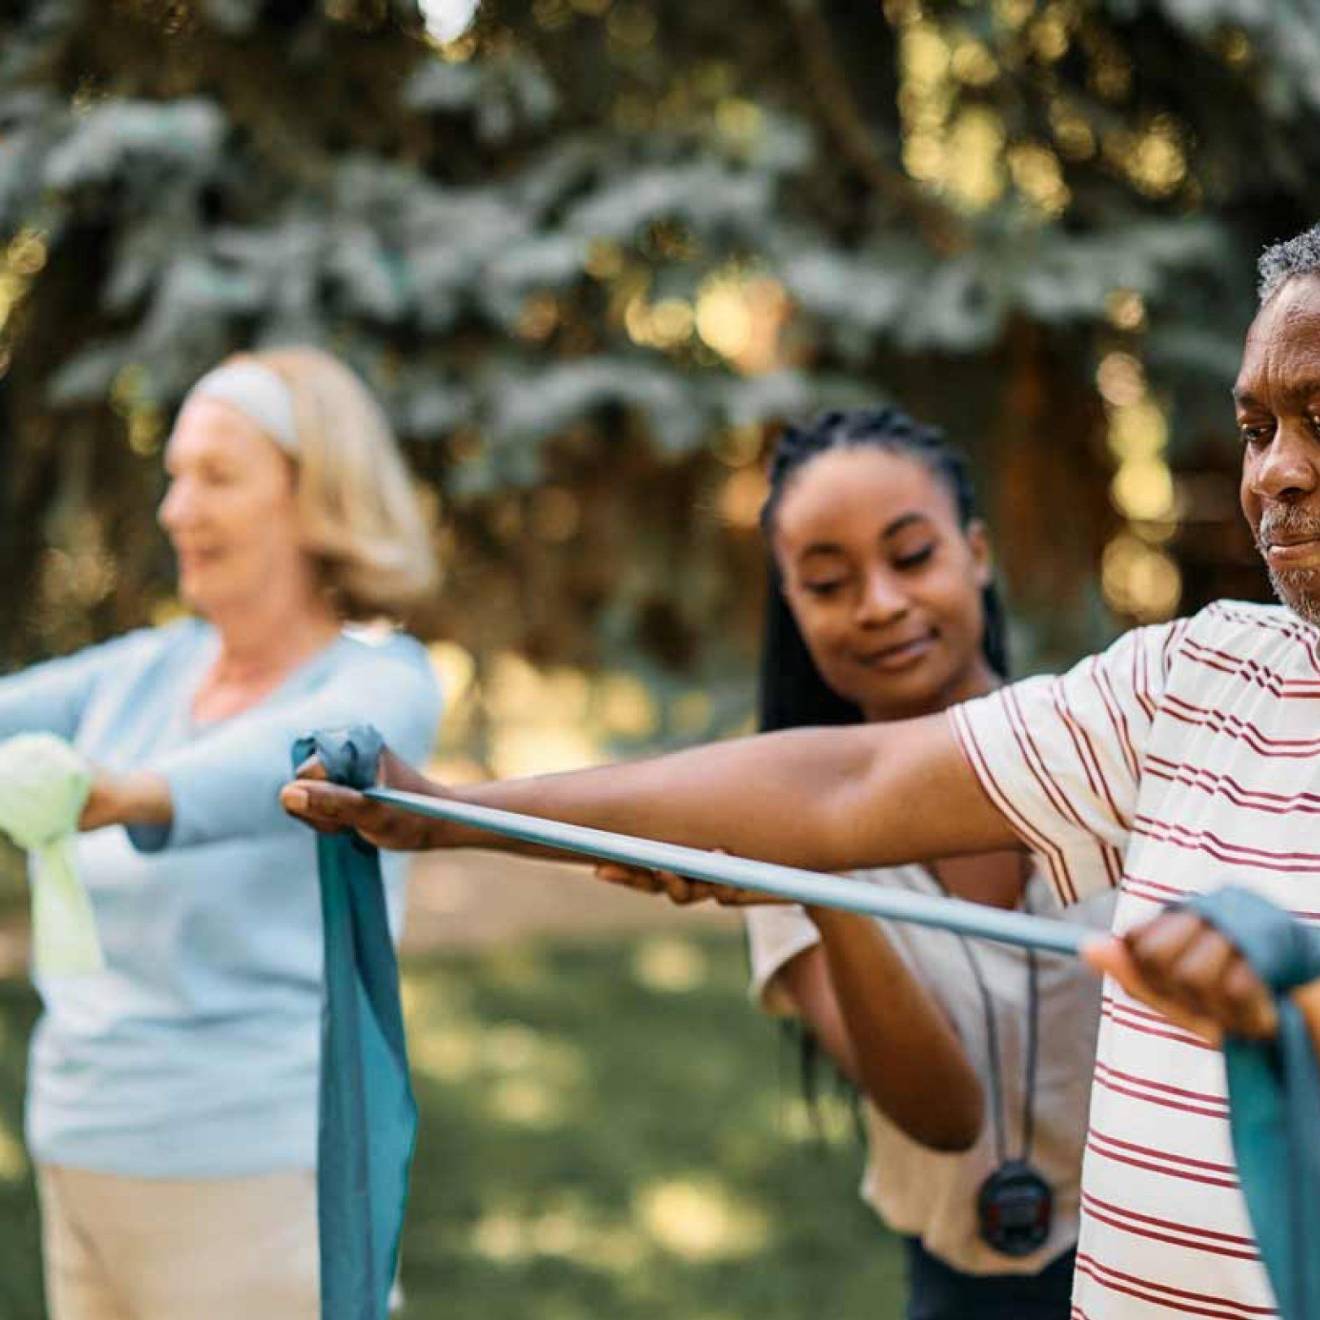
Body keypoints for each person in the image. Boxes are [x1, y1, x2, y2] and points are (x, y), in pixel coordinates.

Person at [284, 221, 1320, 1319]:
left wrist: (1291, 997)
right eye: (1257, 427)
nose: (1278, 473)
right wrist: (450, 813)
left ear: (976, 553)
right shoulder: (1196, 675)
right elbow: (841, 789)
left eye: (1319, 420)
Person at [600, 407, 1108, 1318]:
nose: (878, 604)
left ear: (978, 554)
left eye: (912, 558)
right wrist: (819, 881)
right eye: (828, 582)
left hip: (1180, 1251)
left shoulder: (1102, 751)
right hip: (964, 1288)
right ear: (792, 607)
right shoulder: (779, 839)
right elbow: (944, 1116)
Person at [1, 346, 443, 1320]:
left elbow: (299, 766)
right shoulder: (148, 670)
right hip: (79, 1153)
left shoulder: (382, 679)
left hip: (260, 1179)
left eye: (217, 476)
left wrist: (133, 794)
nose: (175, 510)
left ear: (312, 499)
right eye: (174, 477)